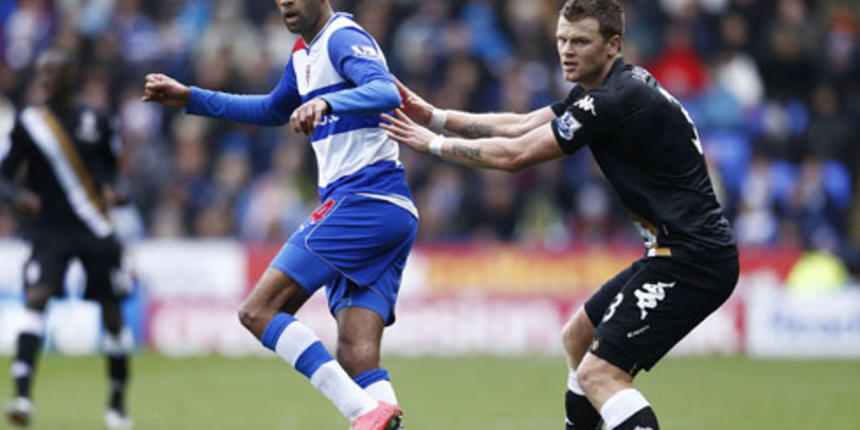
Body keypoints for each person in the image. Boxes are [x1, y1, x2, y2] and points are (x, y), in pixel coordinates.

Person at [382, 0, 739, 429]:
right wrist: (438, 117)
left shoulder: (615, 100)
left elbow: (517, 154)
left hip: (693, 260)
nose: (567, 50)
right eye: (562, 40)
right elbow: (520, 125)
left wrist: (432, 145)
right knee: (578, 337)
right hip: (673, 252)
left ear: (614, 45)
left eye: (580, 41)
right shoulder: (602, 89)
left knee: (600, 373)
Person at [142, 0, 415, 429]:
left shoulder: (343, 38)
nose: (285, 0)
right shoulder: (303, 53)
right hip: (387, 208)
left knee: (258, 310)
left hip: (366, 199)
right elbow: (272, 109)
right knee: (357, 351)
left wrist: (328, 105)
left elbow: (384, 91)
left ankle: (362, 411)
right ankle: (376, 411)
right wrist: (191, 97)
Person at [1, 49, 135, 429]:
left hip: (95, 229)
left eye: (53, 73)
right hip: (50, 230)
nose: (45, 79)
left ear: (70, 76)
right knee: (37, 297)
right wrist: (17, 197)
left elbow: (111, 172)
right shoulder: (30, 123)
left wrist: (115, 190)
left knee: (112, 316)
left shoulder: (98, 119)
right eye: (42, 73)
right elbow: (4, 175)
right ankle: (22, 396)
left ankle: (117, 405)